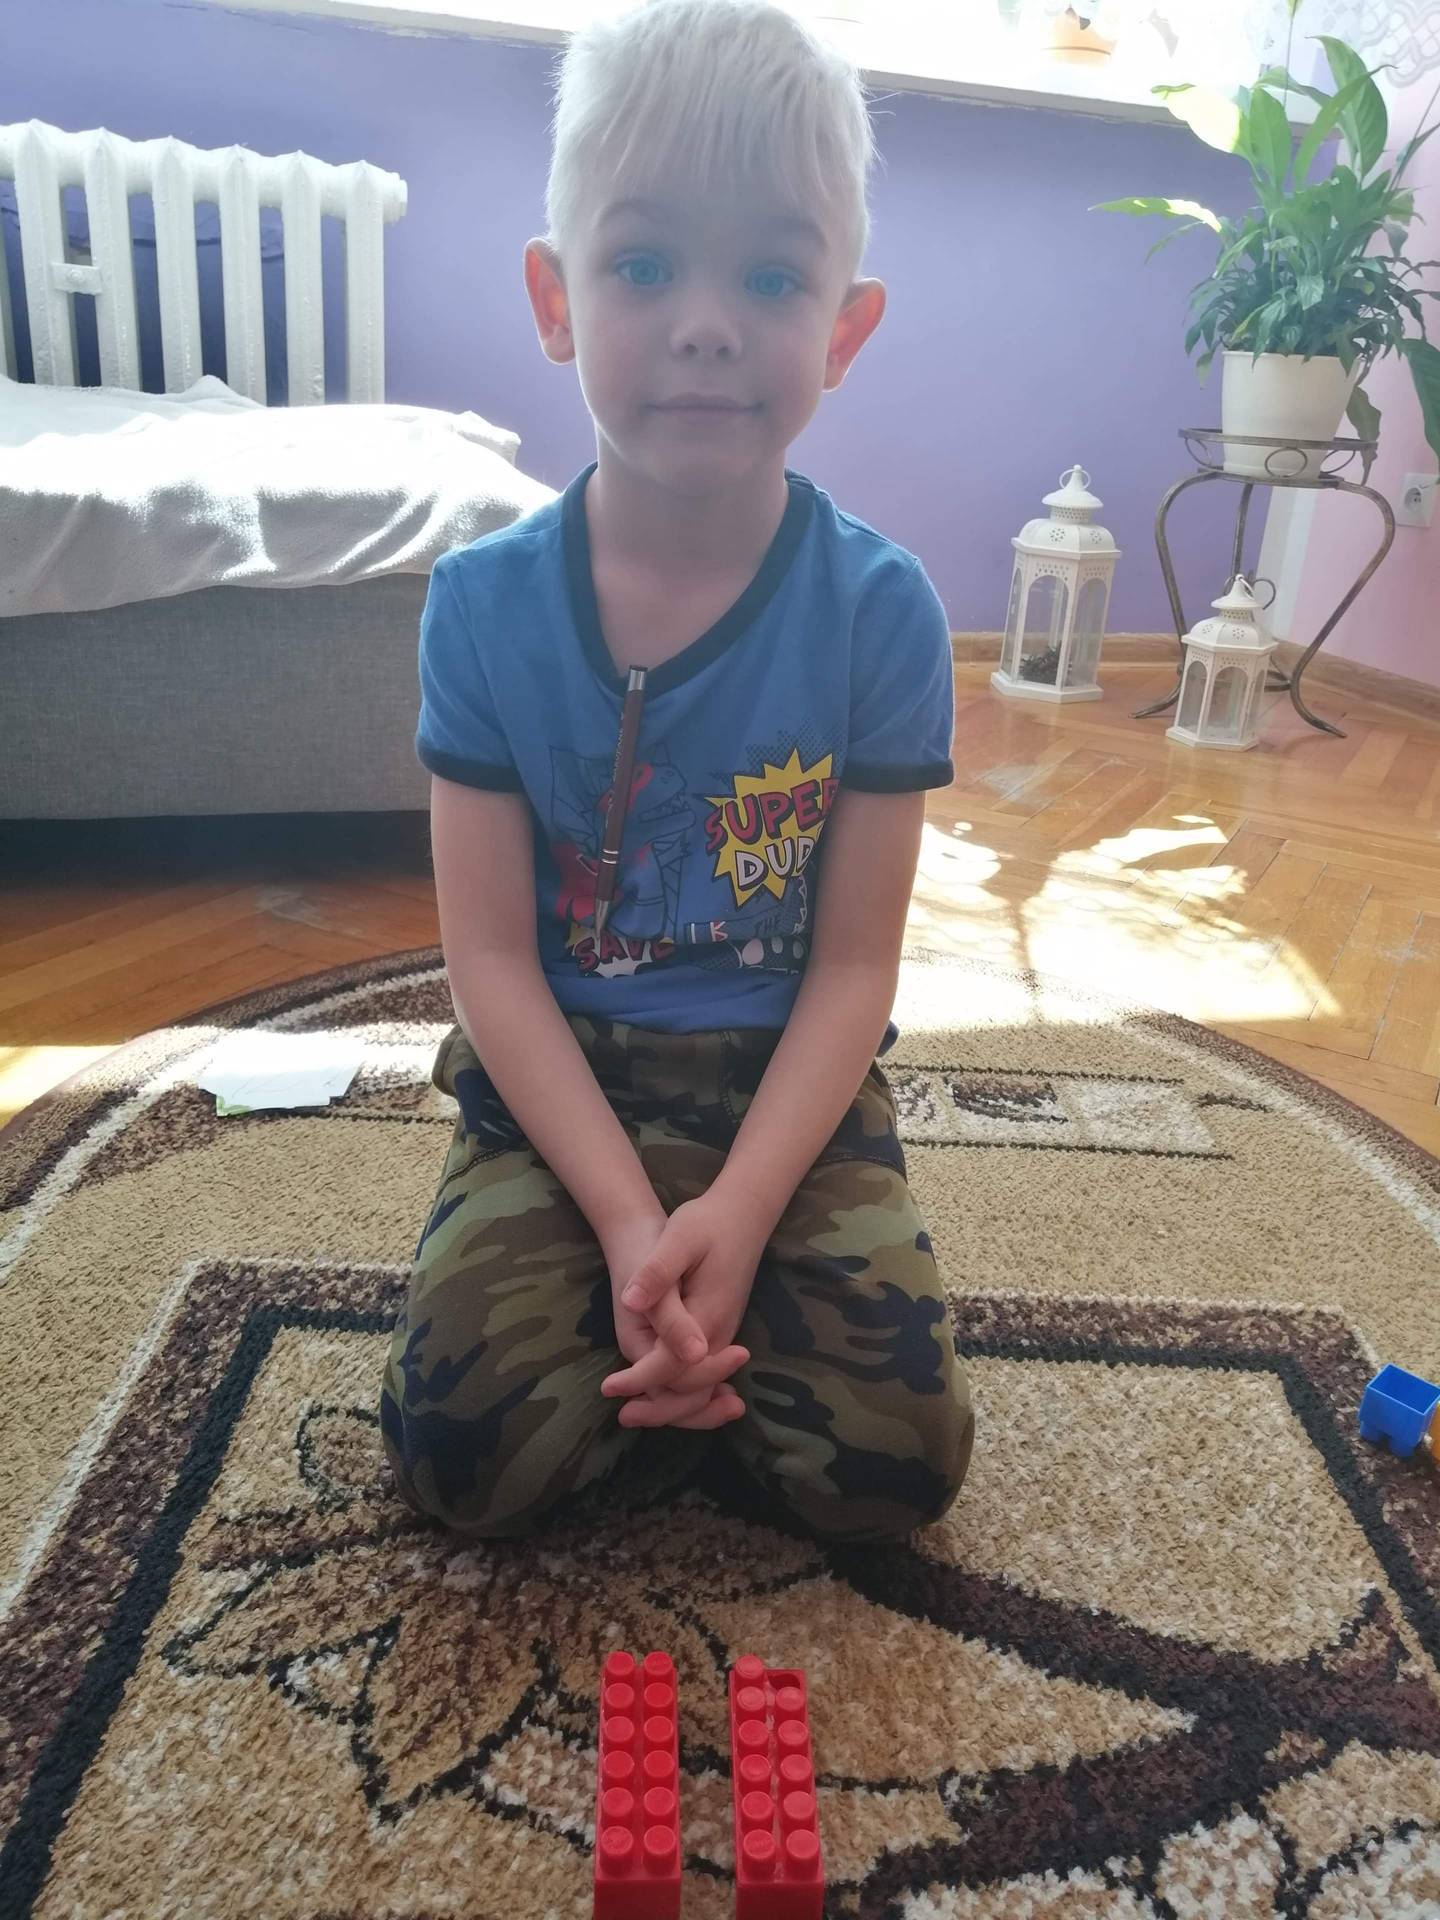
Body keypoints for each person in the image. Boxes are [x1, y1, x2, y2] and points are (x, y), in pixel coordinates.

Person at [379, 0, 974, 1544]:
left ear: (844, 329)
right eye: (644, 265)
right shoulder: (482, 606)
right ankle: (675, 1353)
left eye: (770, 277)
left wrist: (743, 1209)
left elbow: (852, 972)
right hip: (560, 1088)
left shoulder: (883, 612)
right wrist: (631, 1220)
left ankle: (680, 1359)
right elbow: (491, 964)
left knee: (898, 1467)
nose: (706, 323)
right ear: (556, 297)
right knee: (463, 1459)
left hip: (786, 1095)